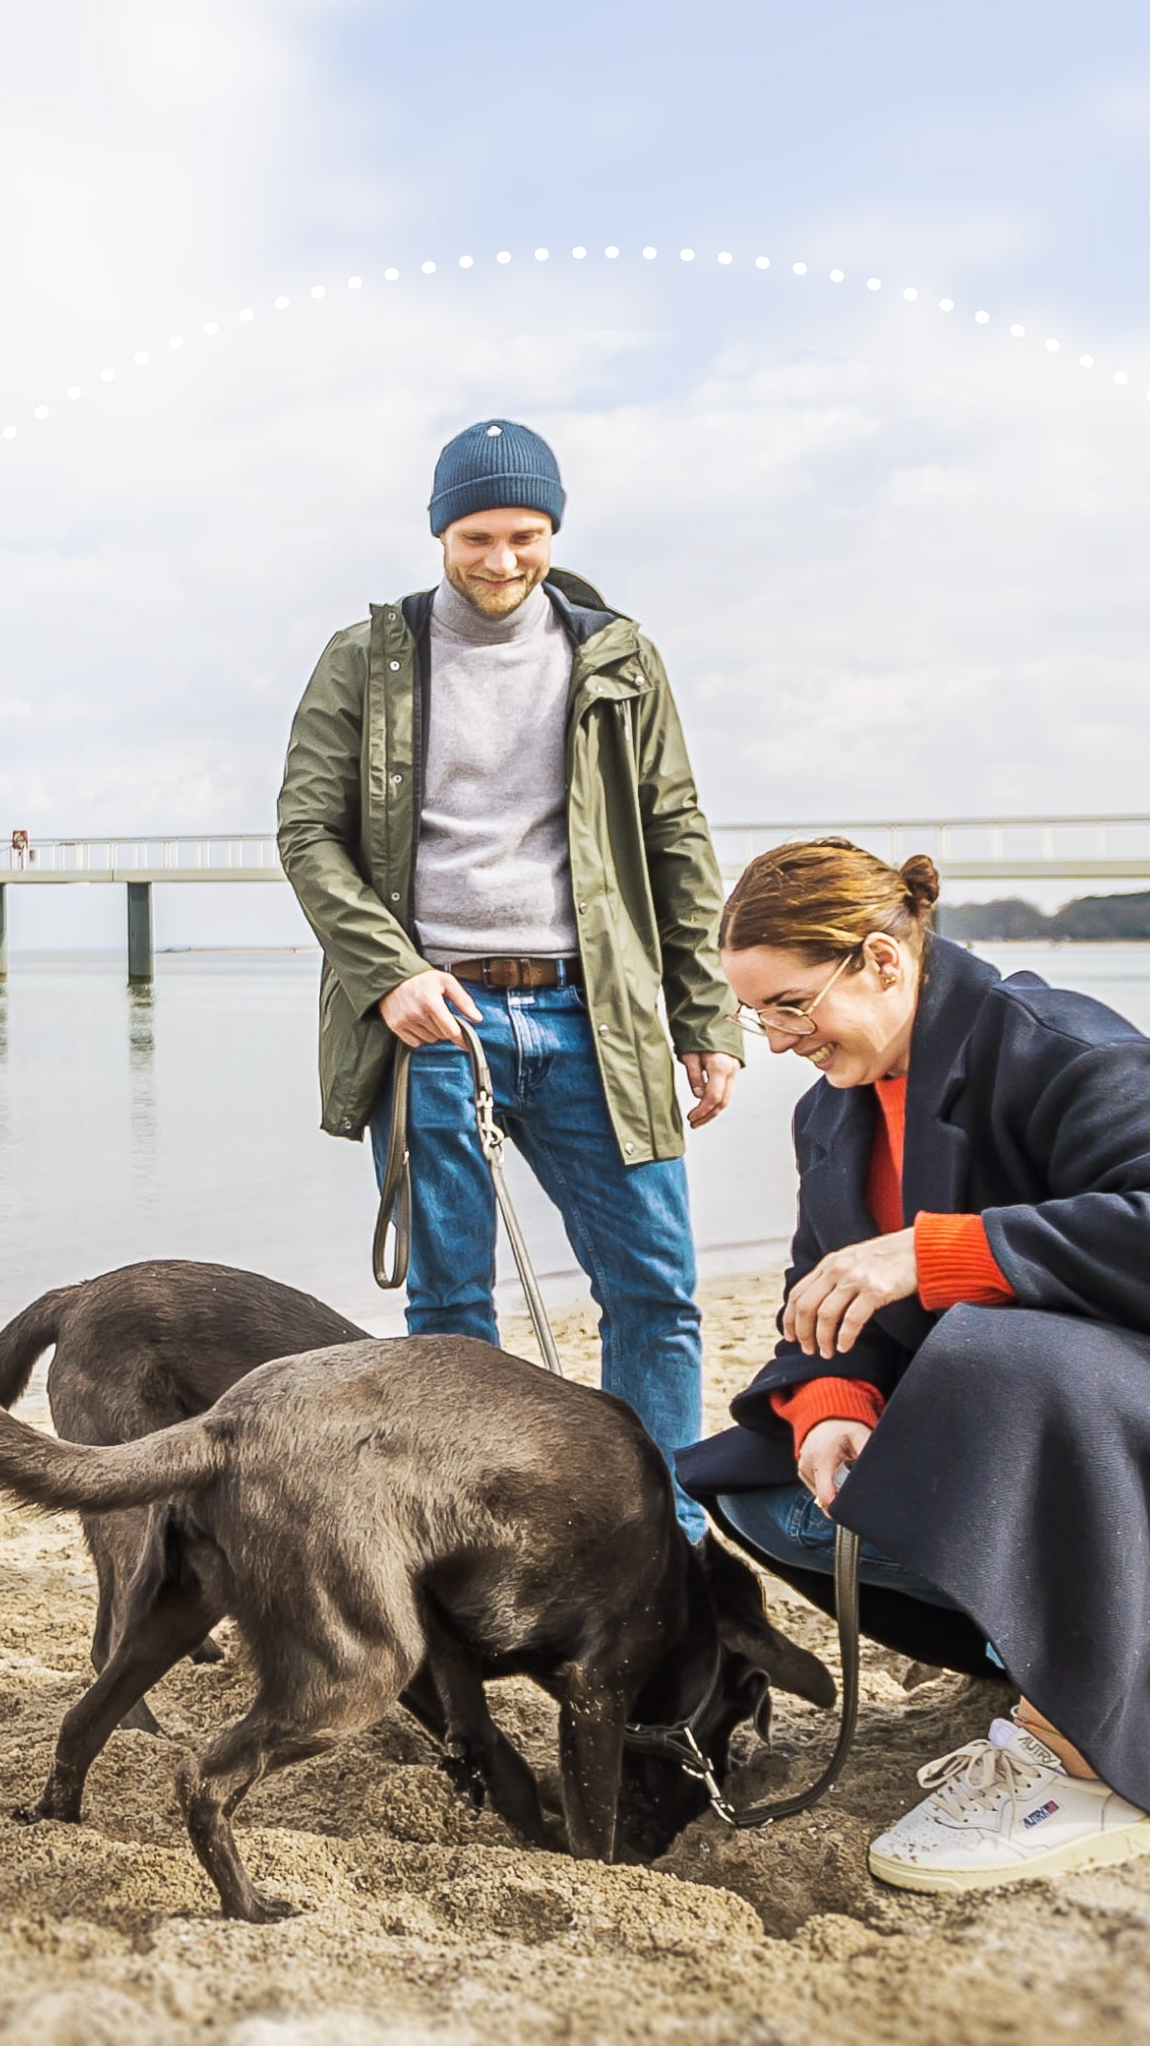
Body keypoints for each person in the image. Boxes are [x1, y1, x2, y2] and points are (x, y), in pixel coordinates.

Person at [674, 836, 1150, 1891]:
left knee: (994, 1354)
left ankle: (1086, 1760)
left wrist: (936, 1250)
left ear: (882, 961)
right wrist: (830, 1401)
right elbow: (823, 1299)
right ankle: (1081, 1647)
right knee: (769, 1489)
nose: (779, 1040)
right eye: (758, 1016)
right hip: (1090, 1416)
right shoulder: (834, 1114)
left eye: (792, 1005)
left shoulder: (1067, 1049)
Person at [276, 418, 744, 1537]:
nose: (500, 561)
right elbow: (309, 832)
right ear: (439, 531)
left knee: (658, 1295)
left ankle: (661, 1547)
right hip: (435, 1018)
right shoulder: (368, 655)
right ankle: (469, 1537)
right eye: (476, 536)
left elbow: (675, 835)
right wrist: (390, 975)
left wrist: (707, 1015)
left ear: (555, 529)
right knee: (447, 1309)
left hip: (600, 1017)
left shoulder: (618, 656)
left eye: (524, 535)